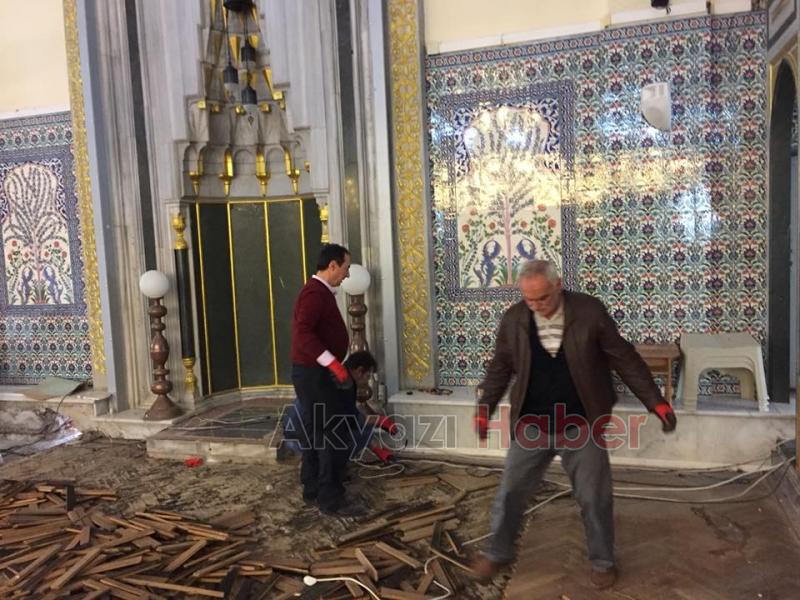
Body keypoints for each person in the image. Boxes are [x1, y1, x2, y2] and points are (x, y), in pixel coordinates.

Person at [470, 259, 676, 590]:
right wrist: (484, 409)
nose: (536, 305)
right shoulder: (514, 319)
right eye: (529, 299)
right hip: (532, 424)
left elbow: (624, 358)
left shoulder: (589, 312)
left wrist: (656, 402)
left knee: (594, 496)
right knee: (510, 492)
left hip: (582, 422)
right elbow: (500, 368)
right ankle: (497, 552)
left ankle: (602, 561)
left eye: (542, 298)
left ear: (558, 286)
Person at [290, 243, 362, 516]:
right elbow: (303, 334)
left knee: (316, 431)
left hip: (314, 373)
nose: (347, 274)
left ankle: (312, 486)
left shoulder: (319, 292)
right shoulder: (314, 294)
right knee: (332, 433)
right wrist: (332, 363)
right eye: (345, 268)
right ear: (332, 266)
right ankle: (331, 499)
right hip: (315, 375)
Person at [280, 351, 398, 466]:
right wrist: (378, 420)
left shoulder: (336, 375)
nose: (367, 382)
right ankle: (326, 465)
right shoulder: (343, 383)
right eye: (368, 377)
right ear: (359, 371)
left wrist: (376, 446)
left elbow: (350, 415)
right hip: (303, 433)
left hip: (297, 429)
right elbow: (349, 420)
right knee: (352, 432)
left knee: (361, 426)